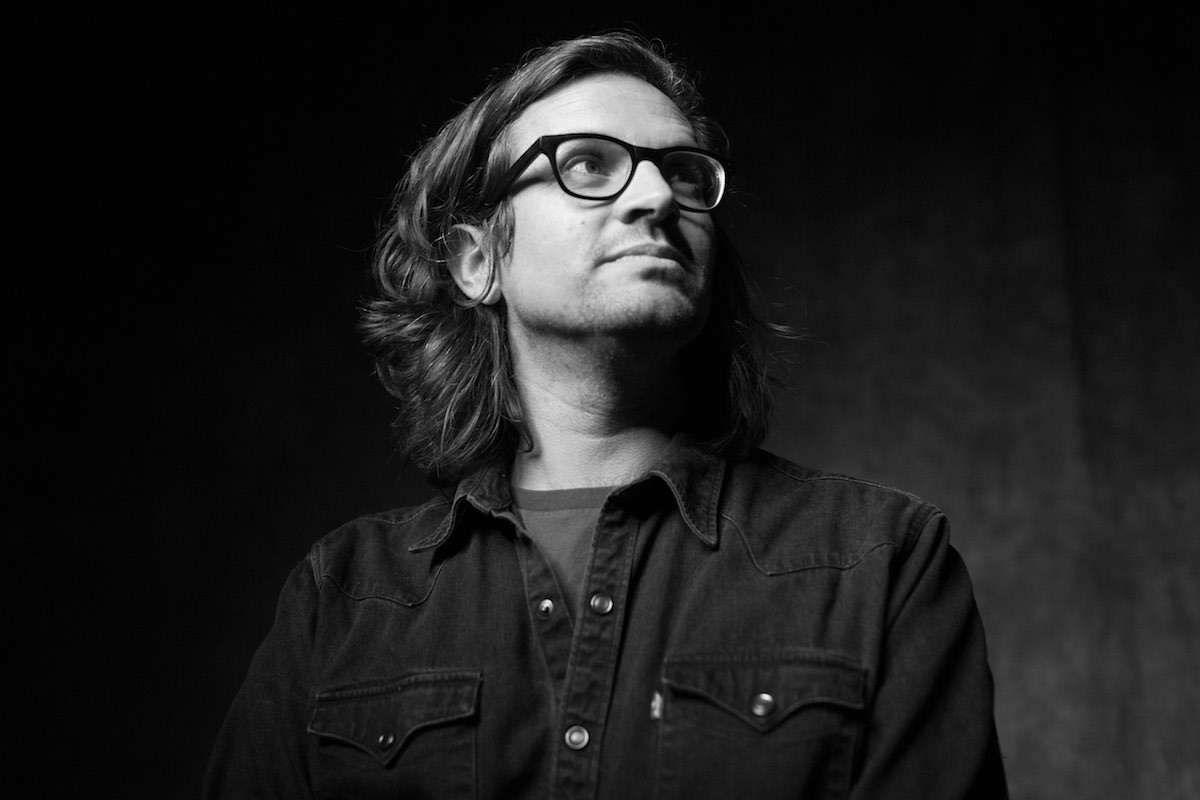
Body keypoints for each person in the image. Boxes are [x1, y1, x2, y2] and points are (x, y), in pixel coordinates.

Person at [204, 31, 1008, 799]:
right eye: (588, 163)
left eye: (684, 174)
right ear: (479, 261)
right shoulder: (343, 598)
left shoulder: (880, 560)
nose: (657, 198)